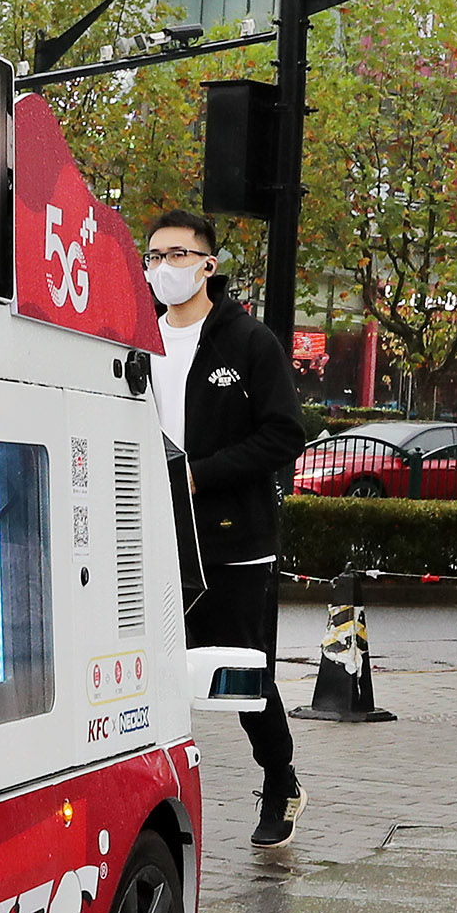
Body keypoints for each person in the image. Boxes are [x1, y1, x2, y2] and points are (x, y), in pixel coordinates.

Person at [146, 209, 307, 846]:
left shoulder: (246, 341)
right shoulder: (140, 342)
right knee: (153, 669)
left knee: (242, 677)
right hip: (153, 535)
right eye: (154, 256)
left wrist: (198, 476)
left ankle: (280, 777)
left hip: (233, 540)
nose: (164, 268)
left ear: (209, 264)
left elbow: (285, 433)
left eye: (179, 255)